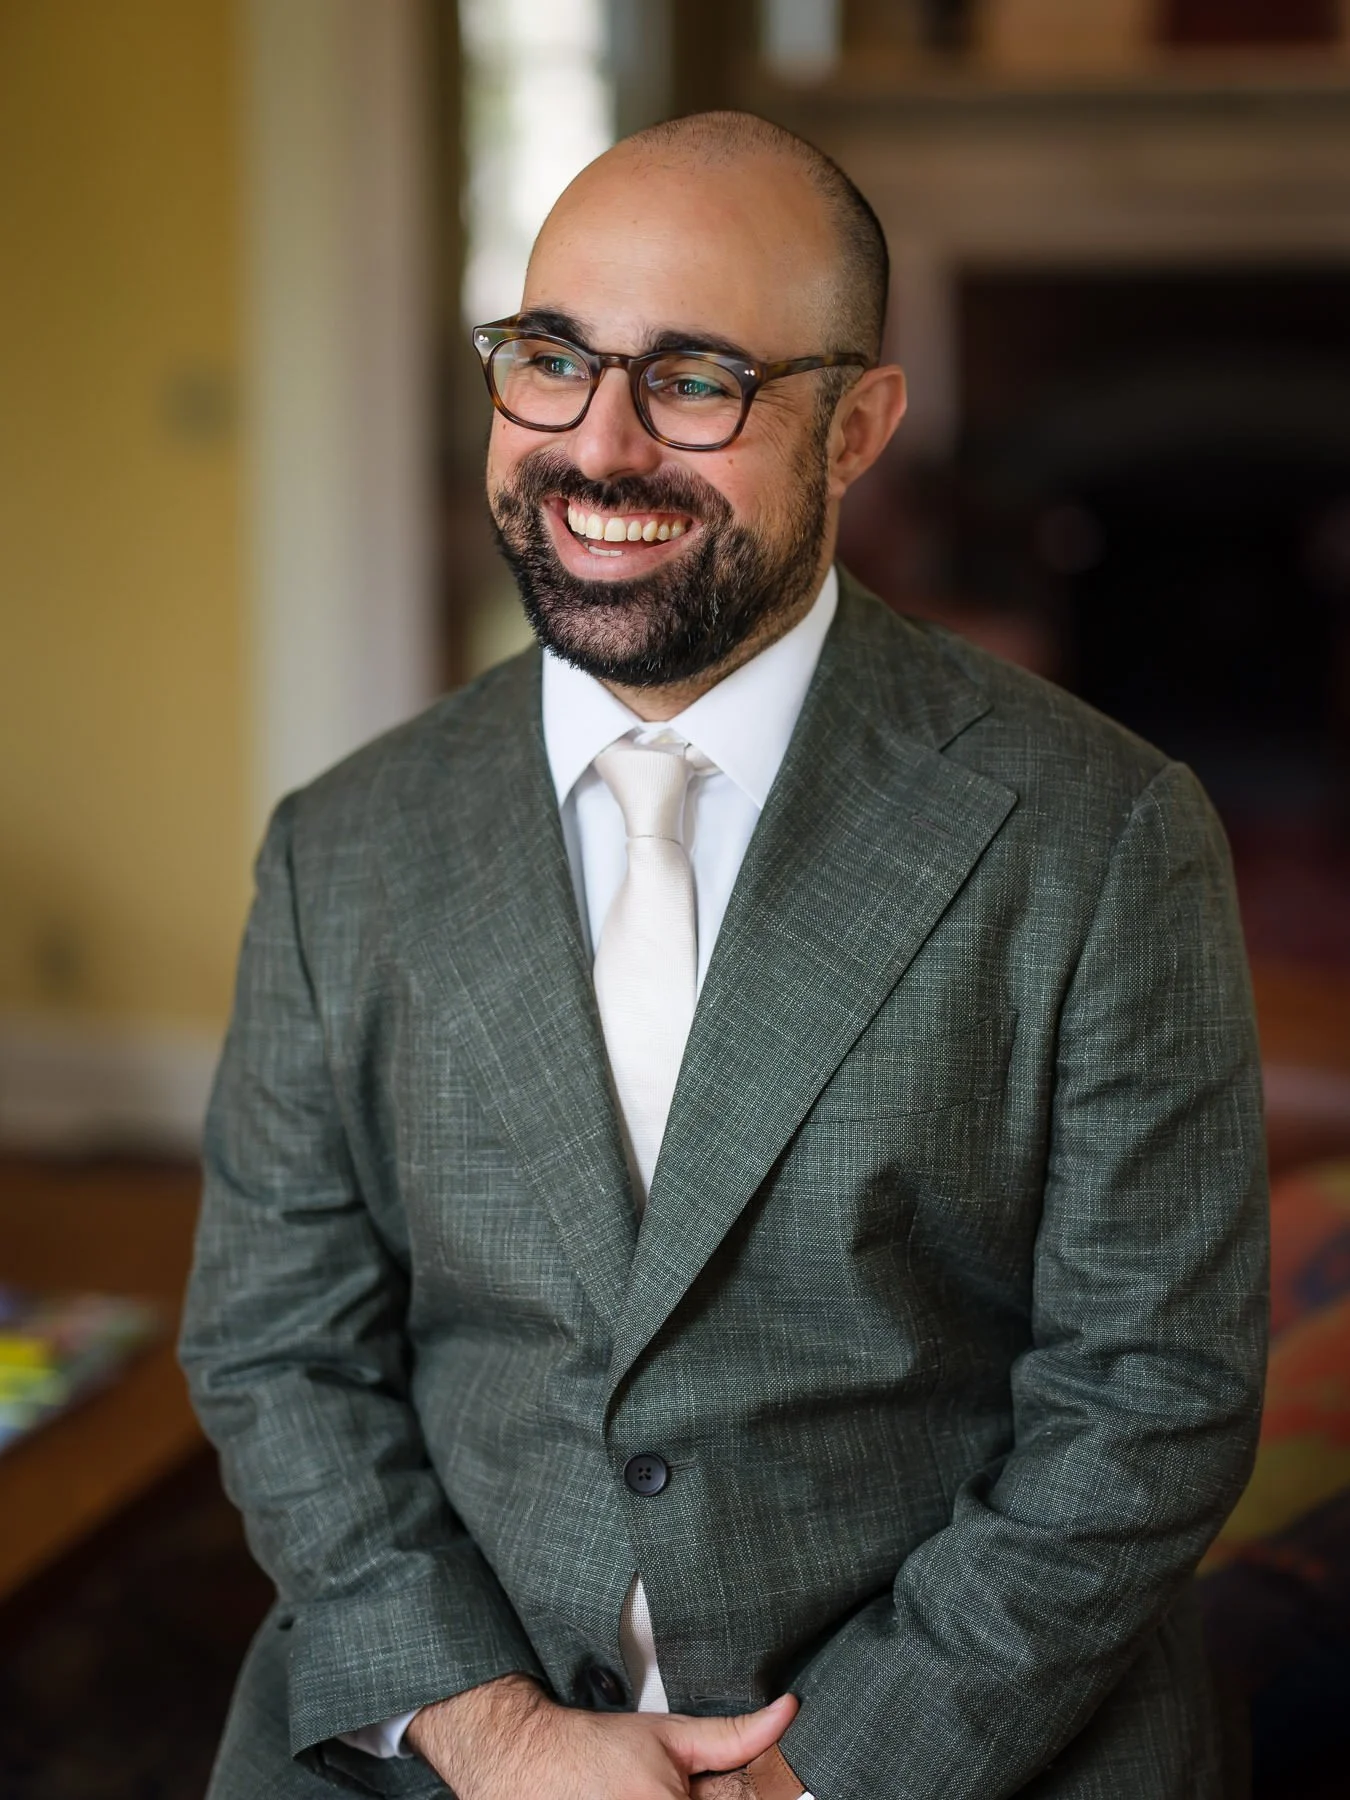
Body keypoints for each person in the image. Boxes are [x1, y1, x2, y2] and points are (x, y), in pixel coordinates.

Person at [181, 111, 1268, 1800]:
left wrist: (830, 1774)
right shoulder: (343, 846)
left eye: (693, 380)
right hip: (442, 1731)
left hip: (964, 1740)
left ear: (856, 429)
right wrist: (495, 1731)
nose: (596, 448)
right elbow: (277, 1347)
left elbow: (1154, 1391)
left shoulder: (1102, 831)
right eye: (551, 360)